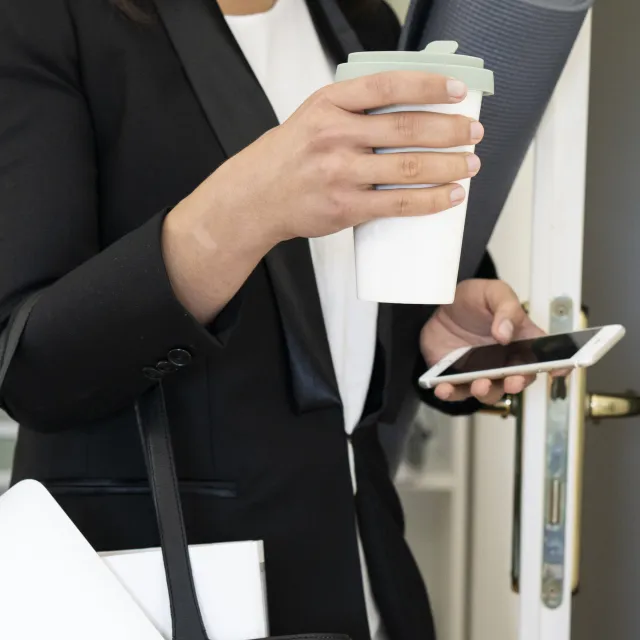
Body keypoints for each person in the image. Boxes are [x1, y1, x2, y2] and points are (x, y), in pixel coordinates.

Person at [0, 1, 544, 639]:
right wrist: (245, 209)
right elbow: (31, 365)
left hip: (368, 582)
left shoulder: (359, 20)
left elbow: (343, 321)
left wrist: (434, 331)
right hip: (163, 593)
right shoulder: (42, 17)